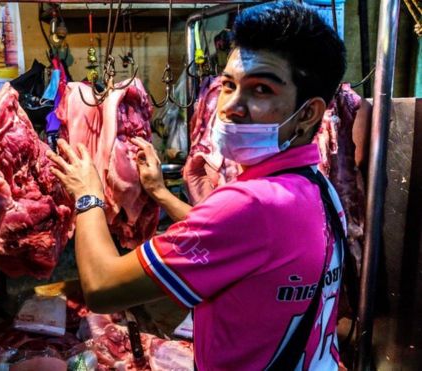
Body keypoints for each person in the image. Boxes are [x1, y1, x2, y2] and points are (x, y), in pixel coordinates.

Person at [47, 1, 348, 370]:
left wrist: (88, 194)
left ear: (309, 114)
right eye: (229, 85)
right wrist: (159, 193)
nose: (231, 106)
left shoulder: (252, 205)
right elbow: (238, 244)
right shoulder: (317, 187)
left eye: (262, 90)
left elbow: (102, 288)